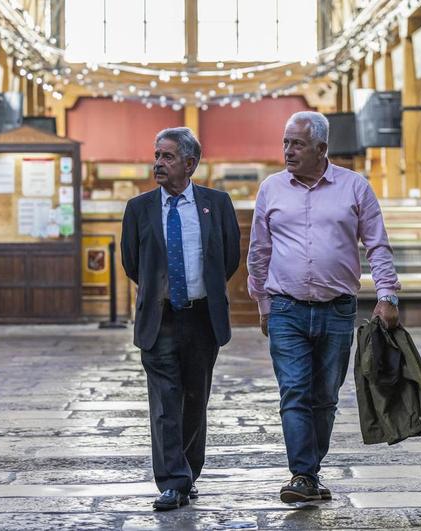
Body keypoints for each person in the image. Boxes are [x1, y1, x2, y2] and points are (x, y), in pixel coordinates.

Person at [247, 111, 401, 503]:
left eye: (297, 144)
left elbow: (377, 245)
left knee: (326, 396)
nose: (288, 151)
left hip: (337, 310)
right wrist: (263, 302)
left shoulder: (355, 187)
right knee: (295, 392)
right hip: (286, 308)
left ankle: (309, 473)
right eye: (285, 142)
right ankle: (302, 473)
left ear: (321, 148)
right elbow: (259, 251)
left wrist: (387, 295)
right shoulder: (271, 189)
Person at [121, 127, 241, 511]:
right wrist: (164, 291)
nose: (158, 163)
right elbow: (132, 262)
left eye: (168, 157)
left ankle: (189, 472)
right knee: (164, 402)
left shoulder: (216, 204)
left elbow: (229, 257)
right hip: (160, 319)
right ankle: (171, 481)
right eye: (157, 155)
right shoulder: (138, 208)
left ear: (190, 163)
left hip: (202, 318)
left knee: (194, 400)